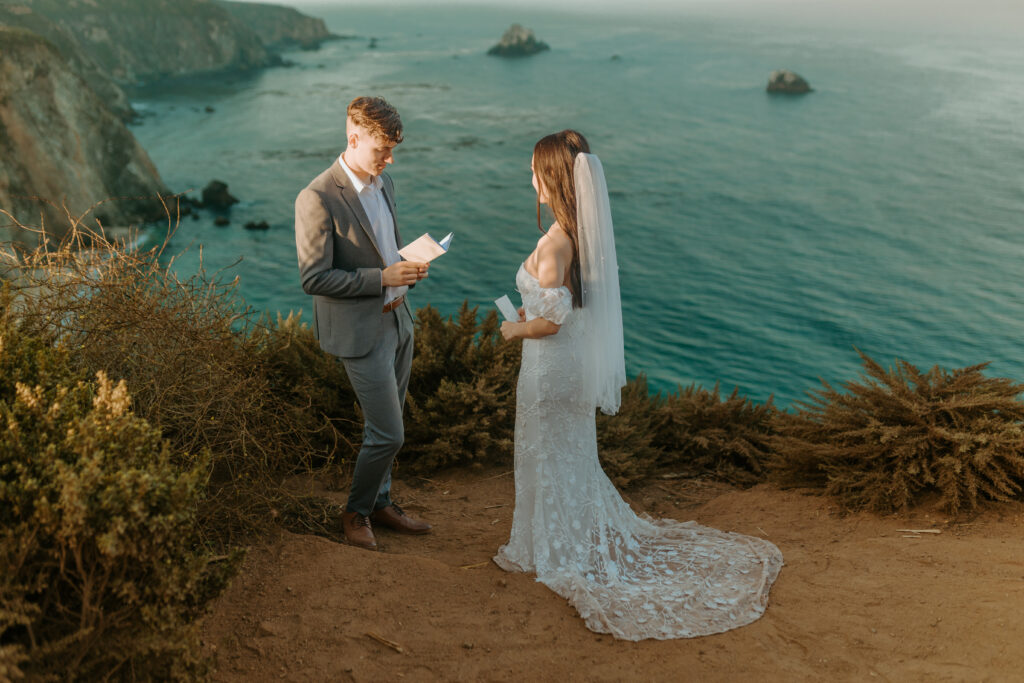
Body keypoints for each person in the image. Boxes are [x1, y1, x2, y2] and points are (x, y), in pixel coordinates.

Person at [495, 130, 783, 640]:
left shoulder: (551, 244)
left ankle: (551, 551)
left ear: (554, 177)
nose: (530, 178)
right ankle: (567, 540)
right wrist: (534, 311)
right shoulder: (584, 236)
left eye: (535, 170)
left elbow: (550, 323)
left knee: (544, 452)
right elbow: (567, 304)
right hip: (576, 369)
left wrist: (514, 327)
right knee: (573, 455)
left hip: (548, 369)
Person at [294, 96, 431, 551]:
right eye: (381, 151)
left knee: (388, 429)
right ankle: (355, 512)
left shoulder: (384, 182)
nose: (389, 160)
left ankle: (382, 502)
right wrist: (382, 278)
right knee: (388, 432)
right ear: (353, 138)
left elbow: (383, 249)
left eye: (393, 151)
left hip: (399, 321)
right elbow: (314, 278)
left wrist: (408, 265)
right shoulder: (315, 198)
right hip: (359, 332)